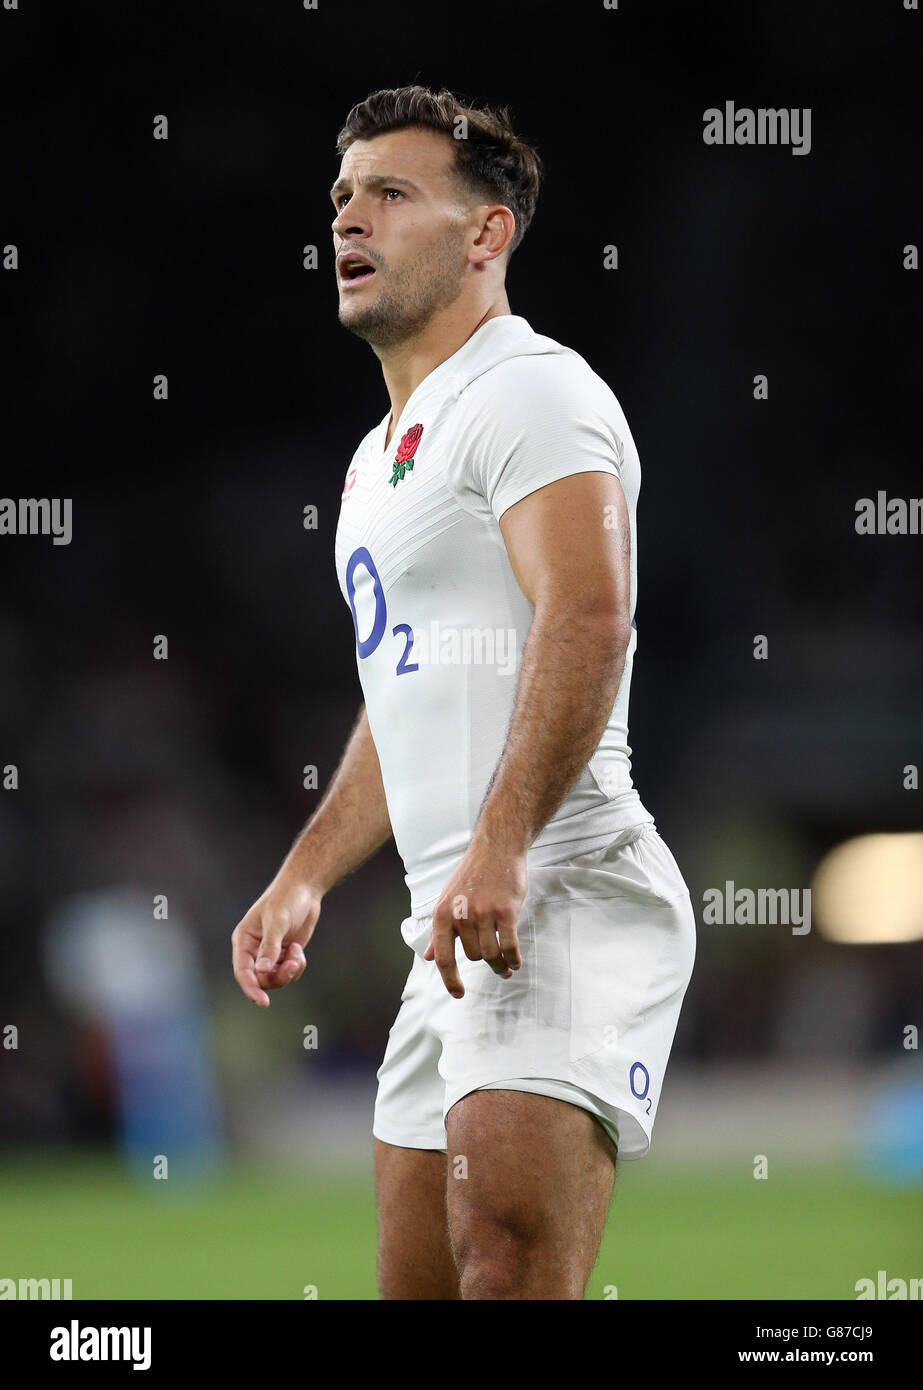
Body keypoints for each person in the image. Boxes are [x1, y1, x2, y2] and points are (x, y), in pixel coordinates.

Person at [232, 85, 695, 1300]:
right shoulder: (374, 464)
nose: (349, 218)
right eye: (341, 196)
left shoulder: (532, 393)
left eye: (390, 193)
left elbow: (588, 616)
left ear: (486, 234)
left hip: (561, 886)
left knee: (503, 1263)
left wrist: (500, 844)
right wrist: (305, 873)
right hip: (449, 927)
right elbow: (404, 698)